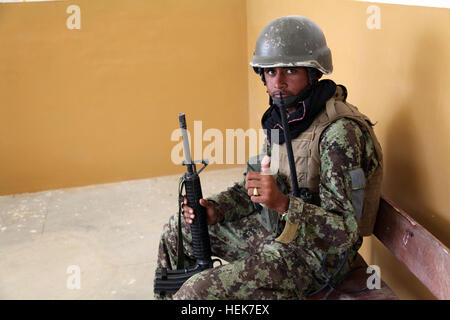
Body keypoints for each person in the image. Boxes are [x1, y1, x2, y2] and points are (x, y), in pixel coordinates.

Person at [154, 15, 383, 300]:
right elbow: (255, 188)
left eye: (290, 71)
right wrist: (216, 208)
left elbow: (344, 233)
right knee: (177, 233)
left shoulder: (339, 134)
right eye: (270, 72)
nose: (279, 83)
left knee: (197, 293)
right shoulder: (285, 118)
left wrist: (284, 204)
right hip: (276, 232)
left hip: (318, 258)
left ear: (314, 73)